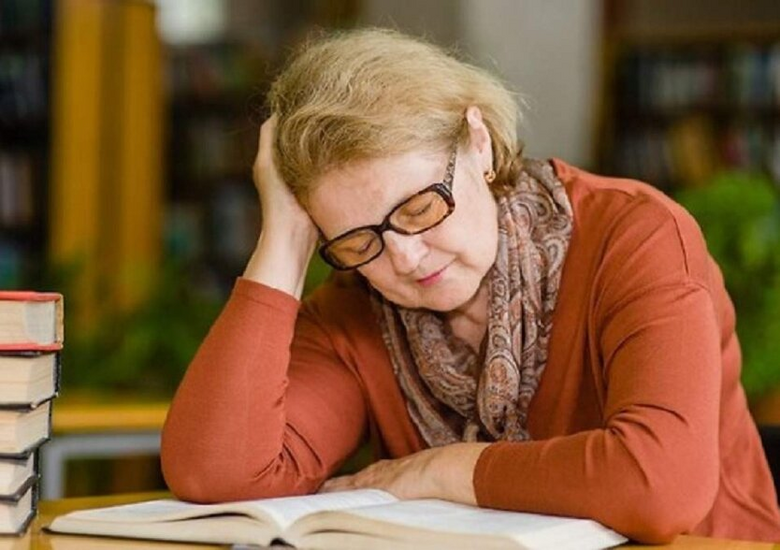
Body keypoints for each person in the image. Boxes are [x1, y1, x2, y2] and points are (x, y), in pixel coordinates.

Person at [160, 28, 780, 544]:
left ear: (479, 143)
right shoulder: (355, 301)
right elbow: (217, 472)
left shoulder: (636, 236)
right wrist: (285, 244)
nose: (404, 255)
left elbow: (659, 486)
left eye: (420, 206)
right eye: (357, 239)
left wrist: (445, 468)